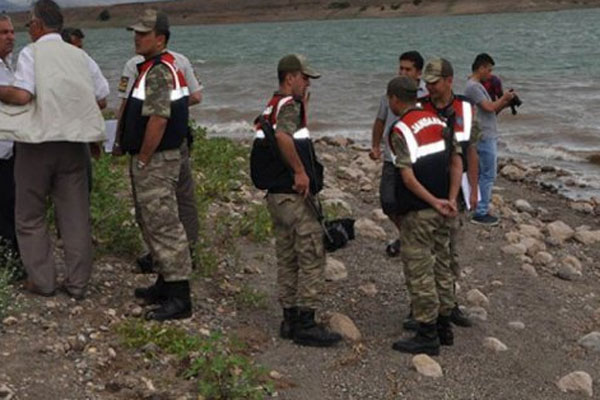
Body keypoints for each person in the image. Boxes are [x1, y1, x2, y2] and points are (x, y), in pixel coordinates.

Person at [0, 0, 108, 299]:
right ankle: (77, 283)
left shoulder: (31, 53)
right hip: (73, 144)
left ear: (36, 25)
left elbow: (22, 96)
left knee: (30, 215)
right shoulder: (79, 56)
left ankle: (43, 280)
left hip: (37, 144)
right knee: (74, 215)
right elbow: (101, 97)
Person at [255, 54, 341, 347]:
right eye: (304, 78)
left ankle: (289, 319)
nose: (307, 84)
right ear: (290, 77)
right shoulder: (289, 106)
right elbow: (283, 137)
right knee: (311, 255)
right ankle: (306, 323)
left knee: (287, 257)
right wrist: (301, 171)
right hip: (292, 196)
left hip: (276, 197)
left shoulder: (273, 104)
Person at [118, 9, 193, 321]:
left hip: (159, 159)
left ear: (160, 39)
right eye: (135, 32)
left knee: (163, 223)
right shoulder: (152, 68)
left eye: (143, 33)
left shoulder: (160, 71)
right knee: (150, 220)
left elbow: (159, 119)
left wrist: (145, 157)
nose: (137, 37)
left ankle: (179, 296)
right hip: (156, 157)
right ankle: (164, 282)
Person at [385, 76, 462, 356]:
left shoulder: (401, 129)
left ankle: (427, 333)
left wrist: (433, 201)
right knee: (442, 266)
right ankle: (445, 326)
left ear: (394, 99)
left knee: (419, 272)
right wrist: (451, 199)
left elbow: (406, 176)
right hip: (445, 208)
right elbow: (456, 161)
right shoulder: (439, 121)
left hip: (420, 211)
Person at [116, 46, 202, 274]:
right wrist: (176, 108)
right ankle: (188, 251)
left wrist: (120, 141)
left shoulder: (136, 65)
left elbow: (125, 104)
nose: (136, 39)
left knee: (152, 204)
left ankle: (163, 259)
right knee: (184, 197)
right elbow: (195, 96)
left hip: (151, 144)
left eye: (142, 34)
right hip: (179, 139)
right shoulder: (179, 60)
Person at [418, 58, 481, 328]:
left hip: (457, 188)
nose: (430, 87)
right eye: (427, 82)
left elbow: (471, 151)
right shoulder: (419, 108)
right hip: (427, 189)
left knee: (452, 249)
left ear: (449, 80)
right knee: (425, 251)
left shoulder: (466, 109)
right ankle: (422, 306)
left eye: (435, 82)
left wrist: (475, 189)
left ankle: (450, 303)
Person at [369, 51, 427, 258]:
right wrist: (375, 145)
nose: (402, 72)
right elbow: (380, 121)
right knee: (388, 202)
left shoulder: (426, 95)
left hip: (417, 159)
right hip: (391, 157)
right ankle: (409, 236)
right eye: (400, 68)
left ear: (419, 73)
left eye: (407, 69)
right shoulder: (391, 92)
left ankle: (412, 240)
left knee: (412, 203)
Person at [464, 53, 515, 226]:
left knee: (479, 173)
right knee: (488, 174)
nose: (490, 74)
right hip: (484, 136)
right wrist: (504, 98)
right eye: (489, 70)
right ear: (481, 68)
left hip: (484, 133)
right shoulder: (473, 87)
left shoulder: (476, 86)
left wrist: (506, 103)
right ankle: (481, 211)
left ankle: (475, 205)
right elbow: (489, 106)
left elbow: (492, 111)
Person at [0, 14, 17, 256]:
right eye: (3, 33)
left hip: (12, 148)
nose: (10, 36)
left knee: (10, 203)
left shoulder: (10, 63)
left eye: (12, 31)